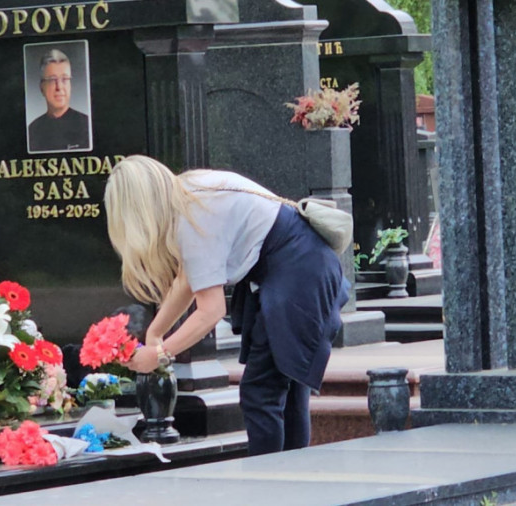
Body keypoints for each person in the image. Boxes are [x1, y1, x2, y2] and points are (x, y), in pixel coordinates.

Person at [106, 155, 349, 456]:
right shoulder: (190, 193)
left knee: (261, 392)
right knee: (284, 391)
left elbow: (211, 311)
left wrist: (159, 353)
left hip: (298, 274)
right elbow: (187, 280)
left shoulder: (193, 218)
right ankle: (289, 476)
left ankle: (271, 477)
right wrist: (155, 334)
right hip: (303, 267)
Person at [27, 49, 91, 152]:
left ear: (70, 85)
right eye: (52, 80)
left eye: (65, 79)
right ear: (42, 88)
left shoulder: (87, 125)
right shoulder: (32, 130)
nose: (59, 87)